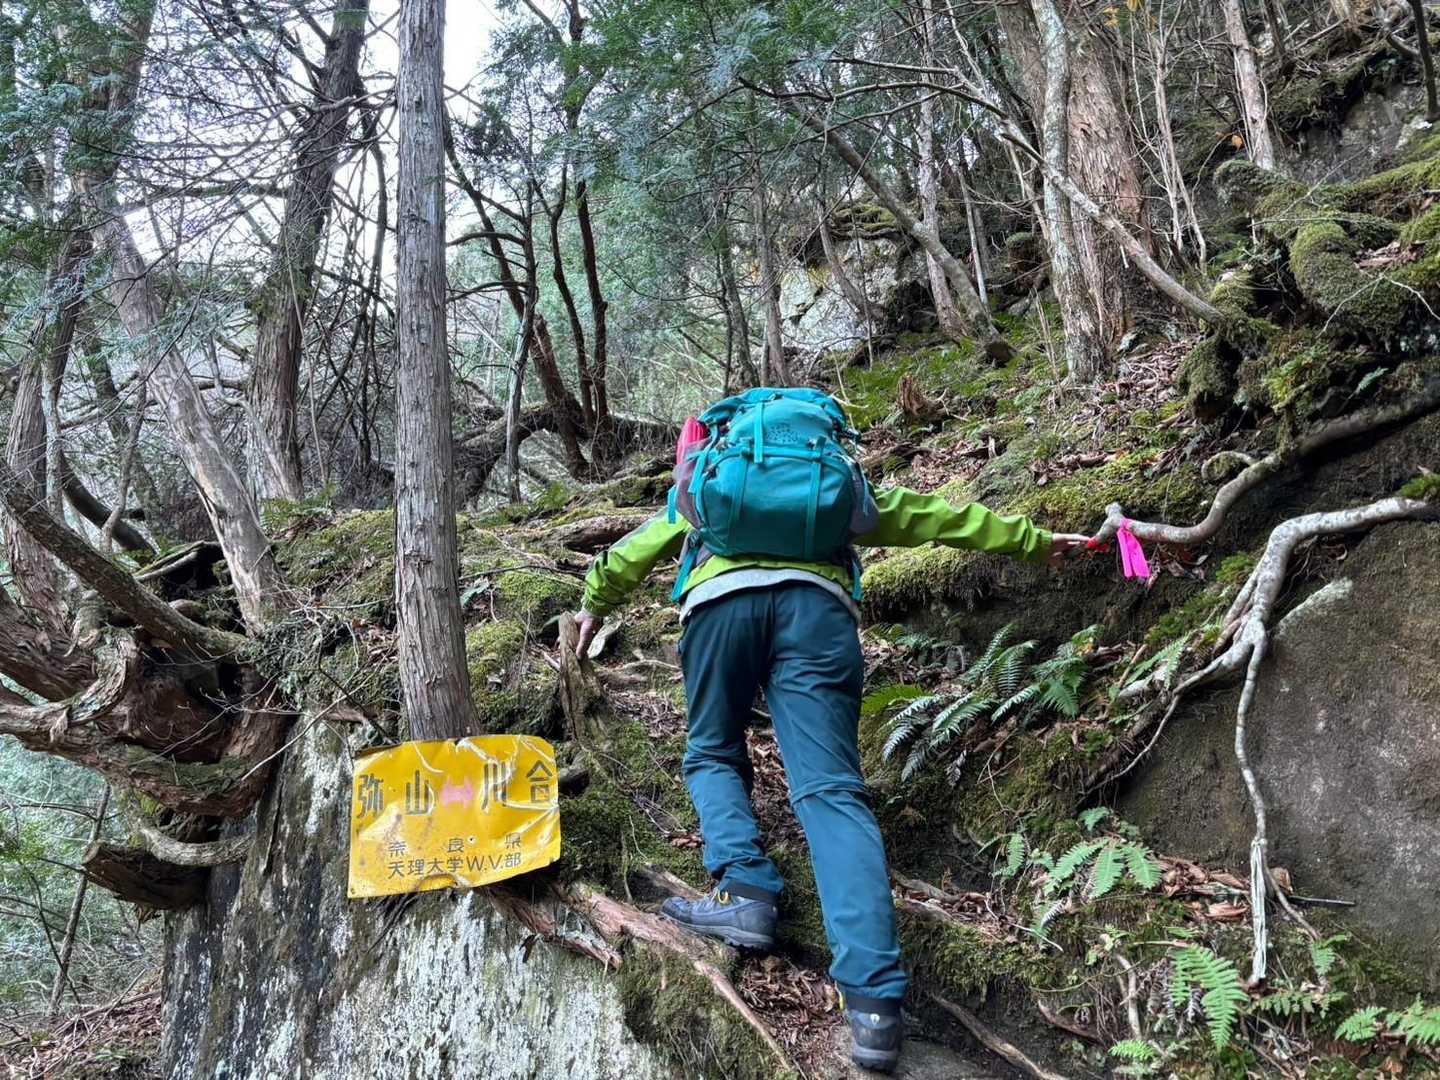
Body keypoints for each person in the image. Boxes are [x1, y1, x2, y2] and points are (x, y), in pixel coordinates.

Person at [573, 394, 1088, 1073]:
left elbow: (641, 546)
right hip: (818, 615)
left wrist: (594, 603)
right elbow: (937, 517)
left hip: (719, 612)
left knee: (713, 750)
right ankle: (874, 1006)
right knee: (831, 792)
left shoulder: (712, 482)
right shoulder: (833, 487)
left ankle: (744, 891)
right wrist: (1034, 541)